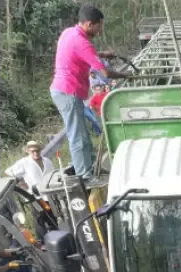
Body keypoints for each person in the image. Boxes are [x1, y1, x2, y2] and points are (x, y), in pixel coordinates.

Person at [50, 5, 130, 180]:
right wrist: (126, 75)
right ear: (88, 24)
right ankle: (84, 176)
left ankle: (92, 167)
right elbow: (106, 73)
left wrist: (101, 54)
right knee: (77, 135)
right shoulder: (82, 42)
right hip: (67, 92)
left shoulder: (69, 33)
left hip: (65, 91)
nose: (100, 30)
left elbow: (79, 53)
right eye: (99, 26)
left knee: (83, 134)